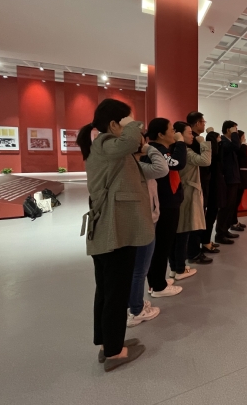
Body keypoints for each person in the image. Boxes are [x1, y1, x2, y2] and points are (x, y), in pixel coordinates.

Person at [77, 98, 152, 372]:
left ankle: (107, 343)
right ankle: (114, 352)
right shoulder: (107, 142)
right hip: (115, 231)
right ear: (113, 124)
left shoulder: (104, 146)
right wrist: (133, 124)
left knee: (108, 290)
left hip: (111, 230)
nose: (133, 128)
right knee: (116, 291)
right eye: (127, 121)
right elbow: (130, 141)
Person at [143, 118, 187, 298]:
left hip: (166, 202)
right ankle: (158, 286)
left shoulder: (160, 150)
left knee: (162, 244)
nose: (174, 133)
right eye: (171, 130)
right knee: (162, 245)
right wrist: (181, 143)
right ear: (161, 134)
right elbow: (178, 163)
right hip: (165, 204)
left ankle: (156, 281)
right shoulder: (157, 150)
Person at [127, 139, 168, 328]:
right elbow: (162, 168)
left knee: (136, 268)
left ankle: (135, 304)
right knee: (140, 269)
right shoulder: (137, 167)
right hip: (145, 220)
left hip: (140, 218)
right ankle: (136, 310)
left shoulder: (132, 165)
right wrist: (149, 148)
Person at [169, 121, 212, 279]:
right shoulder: (185, 151)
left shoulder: (176, 150)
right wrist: (204, 143)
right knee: (183, 231)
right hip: (187, 193)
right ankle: (180, 268)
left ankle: (175, 267)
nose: (192, 136)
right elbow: (206, 160)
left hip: (183, 192)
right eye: (189, 133)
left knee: (179, 232)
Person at [185, 111, 214, 264]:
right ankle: (193, 252)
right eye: (203, 122)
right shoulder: (195, 142)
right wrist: (207, 141)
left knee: (199, 216)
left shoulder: (195, 141)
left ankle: (196, 248)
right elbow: (206, 160)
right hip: (197, 182)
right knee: (196, 218)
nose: (204, 124)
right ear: (197, 123)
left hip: (201, 181)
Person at [215, 120, 241, 245]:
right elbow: (236, 147)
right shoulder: (223, 142)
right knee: (225, 207)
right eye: (234, 129)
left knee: (230, 206)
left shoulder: (229, 142)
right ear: (228, 130)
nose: (236, 132)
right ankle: (220, 234)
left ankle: (225, 231)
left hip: (233, 178)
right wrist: (234, 134)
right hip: (228, 179)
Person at [201, 131, 223, 252]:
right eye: (218, 138)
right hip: (213, 186)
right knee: (210, 215)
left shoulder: (212, 153)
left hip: (213, 186)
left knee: (211, 215)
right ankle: (205, 242)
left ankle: (207, 240)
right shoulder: (212, 154)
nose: (220, 140)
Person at [230, 130, 247, 232]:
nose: (244, 139)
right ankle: (233, 222)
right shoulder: (238, 148)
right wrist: (244, 145)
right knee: (235, 201)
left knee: (237, 201)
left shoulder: (239, 148)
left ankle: (235, 221)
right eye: (243, 137)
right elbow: (243, 159)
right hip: (239, 177)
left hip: (240, 177)